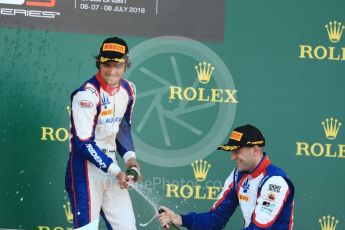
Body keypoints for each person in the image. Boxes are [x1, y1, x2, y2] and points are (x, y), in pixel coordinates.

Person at [65, 36, 141, 230]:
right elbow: (83, 143)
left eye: (118, 65)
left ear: (126, 65)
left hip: (112, 169)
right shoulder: (86, 95)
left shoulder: (129, 90)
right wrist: (115, 171)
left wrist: (130, 158)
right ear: (99, 62)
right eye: (107, 64)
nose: (112, 70)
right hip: (85, 171)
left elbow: (122, 126)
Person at [157, 124, 294, 230]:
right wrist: (179, 219)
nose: (232, 157)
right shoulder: (238, 174)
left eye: (237, 151)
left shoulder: (275, 181)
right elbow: (215, 220)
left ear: (255, 150)